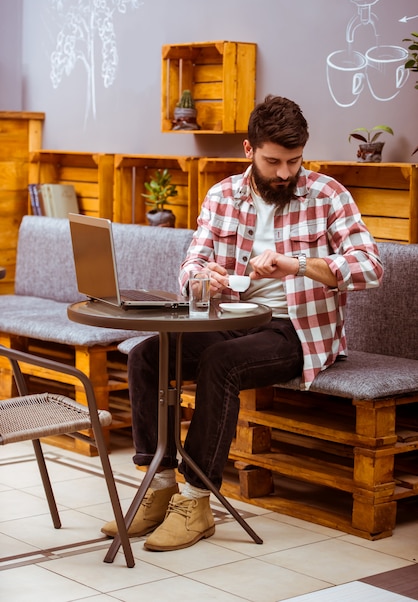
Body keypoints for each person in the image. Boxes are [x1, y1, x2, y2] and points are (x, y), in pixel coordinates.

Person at [102, 95, 383, 551]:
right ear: (249, 150)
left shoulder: (329, 195)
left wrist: (296, 264)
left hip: (296, 329)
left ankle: (196, 500)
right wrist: (202, 278)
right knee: (147, 356)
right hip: (234, 317)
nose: (286, 173)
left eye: (295, 161)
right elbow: (192, 260)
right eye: (274, 161)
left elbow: (371, 268)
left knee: (220, 362)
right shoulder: (222, 195)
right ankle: (158, 487)